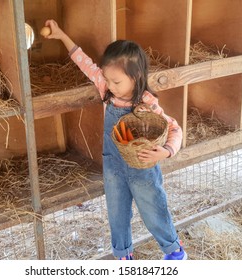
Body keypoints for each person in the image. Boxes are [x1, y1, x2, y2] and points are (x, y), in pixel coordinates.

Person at [43, 19, 187, 260]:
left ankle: (174, 250)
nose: (110, 85)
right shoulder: (107, 92)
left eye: (116, 82)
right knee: (117, 212)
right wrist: (60, 35)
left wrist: (165, 152)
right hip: (114, 167)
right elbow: (84, 62)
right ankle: (122, 255)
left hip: (142, 168)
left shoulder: (147, 102)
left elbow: (175, 129)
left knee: (152, 209)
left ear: (136, 75)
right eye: (107, 80)